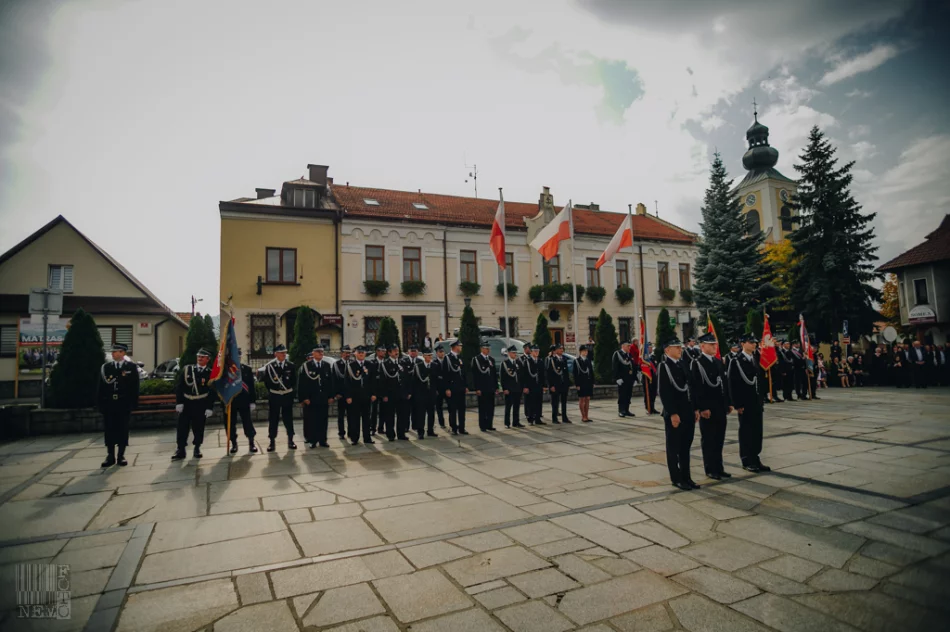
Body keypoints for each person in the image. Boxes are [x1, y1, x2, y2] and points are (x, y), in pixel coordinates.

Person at [657, 337, 698, 490]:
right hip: (675, 414)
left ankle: (687, 477)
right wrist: (673, 413)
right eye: (676, 347)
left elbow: (691, 387)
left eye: (680, 347)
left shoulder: (683, 364)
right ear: (667, 350)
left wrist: (695, 408)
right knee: (674, 448)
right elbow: (664, 392)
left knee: (685, 447)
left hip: (687, 411)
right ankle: (676, 478)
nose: (680, 350)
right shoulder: (664, 366)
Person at [689, 332, 732, 480]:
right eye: (711, 344)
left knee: (719, 438)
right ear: (702, 346)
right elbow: (696, 388)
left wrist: (728, 403)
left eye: (715, 344)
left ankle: (719, 467)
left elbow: (724, 385)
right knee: (709, 439)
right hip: (708, 408)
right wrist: (701, 408)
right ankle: (710, 469)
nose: (715, 346)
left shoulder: (718, 362)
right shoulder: (697, 363)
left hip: (720, 406)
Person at [729, 334, 770, 473]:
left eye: (755, 342)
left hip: (756, 402)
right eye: (751, 342)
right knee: (747, 432)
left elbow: (759, 380)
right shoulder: (736, 361)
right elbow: (733, 384)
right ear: (742, 344)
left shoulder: (756, 358)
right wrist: (737, 404)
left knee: (757, 432)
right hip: (745, 404)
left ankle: (755, 457)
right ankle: (746, 460)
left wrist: (762, 398)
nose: (754, 345)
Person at [97, 343, 140, 467]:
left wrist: (133, 403)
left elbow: (134, 387)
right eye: (113, 351)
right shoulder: (106, 367)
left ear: (123, 353)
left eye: (116, 351)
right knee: (109, 429)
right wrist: (100, 403)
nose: (113, 353)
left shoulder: (131, 367)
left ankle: (121, 455)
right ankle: (110, 455)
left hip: (123, 403)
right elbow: (101, 387)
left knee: (122, 428)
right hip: (109, 403)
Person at [172, 348, 215, 460]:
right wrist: (179, 402)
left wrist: (209, 407)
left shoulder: (210, 373)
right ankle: (181, 449)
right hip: (186, 403)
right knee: (182, 427)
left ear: (207, 359)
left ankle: (197, 447)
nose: (200, 359)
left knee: (199, 427)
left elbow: (212, 392)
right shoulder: (188, 370)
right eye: (198, 357)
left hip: (201, 403)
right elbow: (179, 386)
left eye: (202, 357)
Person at [261, 344, 297, 452]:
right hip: (275, 396)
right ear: (275, 354)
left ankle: (291, 440)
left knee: (288, 419)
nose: (284, 354)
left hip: (287, 395)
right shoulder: (270, 366)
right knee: (273, 419)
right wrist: (275, 390)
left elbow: (294, 381)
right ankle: (272, 441)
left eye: (285, 352)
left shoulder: (290, 366)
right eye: (281, 352)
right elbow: (267, 382)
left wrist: (289, 391)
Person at [298, 345, 332, 448]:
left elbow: (330, 382)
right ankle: (313, 440)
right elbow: (302, 384)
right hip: (311, 399)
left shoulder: (326, 365)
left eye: (322, 352)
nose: (321, 353)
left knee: (323, 420)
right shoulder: (306, 366)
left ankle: (323, 440)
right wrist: (304, 398)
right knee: (312, 420)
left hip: (323, 398)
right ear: (313, 353)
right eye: (318, 352)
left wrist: (331, 396)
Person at [228, 348, 258, 454]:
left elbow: (251, 387)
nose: (237, 358)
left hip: (244, 401)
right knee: (231, 425)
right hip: (231, 401)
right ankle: (234, 444)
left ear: (240, 357)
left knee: (248, 423)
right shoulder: (226, 370)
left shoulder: (246, 369)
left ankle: (251, 443)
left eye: (238, 356)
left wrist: (252, 401)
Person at [344, 346, 375, 445]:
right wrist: (348, 396)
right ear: (355, 354)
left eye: (363, 353)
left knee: (367, 418)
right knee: (355, 418)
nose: (361, 354)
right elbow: (347, 382)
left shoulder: (369, 364)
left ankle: (367, 438)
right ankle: (355, 438)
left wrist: (374, 393)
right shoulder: (351, 365)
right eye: (359, 353)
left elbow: (373, 381)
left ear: (365, 354)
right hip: (355, 396)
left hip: (366, 396)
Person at [472, 340, 498, 431]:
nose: (488, 350)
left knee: (490, 407)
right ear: (482, 349)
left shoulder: (491, 360)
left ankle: (489, 424)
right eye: (486, 348)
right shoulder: (477, 359)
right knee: (483, 407)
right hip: (482, 388)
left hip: (490, 387)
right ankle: (482, 425)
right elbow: (475, 375)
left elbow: (494, 374)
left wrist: (496, 387)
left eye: (488, 348)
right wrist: (477, 388)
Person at [411, 348, 437, 439]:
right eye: (427, 355)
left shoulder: (434, 365)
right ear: (424, 356)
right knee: (421, 414)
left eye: (430, 355)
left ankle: (430, 430)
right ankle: (420, 431)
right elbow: (415, 381)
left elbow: (436, 380)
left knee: (431, 413)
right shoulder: (418, 366)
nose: (429, 357)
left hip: (431, 393)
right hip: (421, 394)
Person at [377, 345, 401, 441]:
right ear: (389, 353)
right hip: (390, 394)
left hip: (400, 393)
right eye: (394, 351)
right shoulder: (385, 364)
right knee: (389, 415)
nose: (397, 352)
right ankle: (390, 434)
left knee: (401, 415)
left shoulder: (401, 362)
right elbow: (382, 381)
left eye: (397, 350)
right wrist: (384, 395)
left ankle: (401, 433)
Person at [445, 340, 468, 435]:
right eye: (460, 346)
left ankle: (462, 428)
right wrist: (447, 388)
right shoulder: (448, 358)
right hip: (452, 387)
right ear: (455, 347)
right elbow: (445, 374)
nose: (461, 348)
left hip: (461, 387)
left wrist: (465, 386)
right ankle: (454, 427)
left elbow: (463, 373)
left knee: (462, 409)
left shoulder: (460, 357)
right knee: (453, 409)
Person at [500, 345, 524, 428]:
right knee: (508, 407)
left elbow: (521, 376)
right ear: (509, 353)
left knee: (516, 406)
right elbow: (502, 377)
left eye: (515, 353)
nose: (515, 354)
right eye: (513, 353)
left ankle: (516, 422)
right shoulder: (505, 363)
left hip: (517, 388)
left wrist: (522, 387)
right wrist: (504, 388)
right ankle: (507, 423)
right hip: (509, 389)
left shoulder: (518, 362)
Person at [546, 343, 570, 424]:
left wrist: (568, 383)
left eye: (562, 348)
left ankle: (564, 417)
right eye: (560, 349)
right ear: (555, 350)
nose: (561, 350)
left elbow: (566, 373)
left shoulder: (564, 359)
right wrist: (551, 385)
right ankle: (554, 418)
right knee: (555, 402)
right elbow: (549, 374)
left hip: (563, 384)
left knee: (564, 402)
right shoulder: (552, 360)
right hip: (556, 385)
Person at [521, 344, 544, 425]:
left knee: (538, 402)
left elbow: (542, 374)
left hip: (538, 385)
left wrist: (543, 385)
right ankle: (530, 419)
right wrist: (525, 387)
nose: (536, 352)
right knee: (530, 403)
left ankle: (538, 418)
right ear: (531, 352)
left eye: (537, 351)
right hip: (530, 385)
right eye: (535, 351)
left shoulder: (540, 361)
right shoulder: (527, 361)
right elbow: (524, 375)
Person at [332, 345, 351, 438]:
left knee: (351, 415)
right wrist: (336, 393)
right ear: (341, 353)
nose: (348, 354)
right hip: (341, 394)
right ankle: (341, 433)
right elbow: (334, 380)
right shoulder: (336, 364)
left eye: (349, 353)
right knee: (341, 416)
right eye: (346, 352)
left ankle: (351, 432)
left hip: (351, 395)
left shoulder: (352, 363)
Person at [613, 341, 636, 417]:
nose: (629, 347)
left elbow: (633, 367)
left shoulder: (629, 355)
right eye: (628, 346)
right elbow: (615, 366)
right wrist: (617, 378)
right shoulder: (617, 354)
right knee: (622, 395)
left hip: (629, 379)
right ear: (623, 346)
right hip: (622, 379)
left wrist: (635, 378)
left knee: (628, 395)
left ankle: (626, 410)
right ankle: (621, 410)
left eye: (630, 346)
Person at [573, 344, 594, 422]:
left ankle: (587, 416)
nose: (586, 352)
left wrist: (593, 382)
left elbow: (591, 372)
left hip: (588, 382)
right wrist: (577, 384)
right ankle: (583, 416)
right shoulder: (577, 361)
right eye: (584, 351)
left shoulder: (588, 360)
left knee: (587, 399)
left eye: (586, 351)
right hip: (581, 383)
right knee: (582, 399)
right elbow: (575, 373)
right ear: (580, 352)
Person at [367, 345, 386, 434]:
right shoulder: (372, 363)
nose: (383, 353)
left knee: (383, 411)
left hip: (383, 390)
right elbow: (370, 378)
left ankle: (381, 428)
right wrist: (371, 392)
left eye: (384, 351)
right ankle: (372, 428)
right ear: (377, 352)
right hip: (374, 390)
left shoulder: (386, 362)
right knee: (373, 411)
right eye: (381, 351)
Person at [432, 345, 447, 428]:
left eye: (442, 352)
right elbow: (434, 378)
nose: (442, 353)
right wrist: (435, 389)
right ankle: (442, 423)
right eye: (440, 352)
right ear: (437, 353)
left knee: (450, 406)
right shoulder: (434, 363)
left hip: (446, 388)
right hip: (438, 388)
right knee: (439, 407)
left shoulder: (446, 361)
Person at [641, 344, 659, 415]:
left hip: (653, 377)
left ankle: (652, 407)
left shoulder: (653, 356)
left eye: (651, 347)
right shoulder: (644, 358)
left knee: (653, 393)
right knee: (648, 393)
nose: (651, 349)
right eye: (649, 347)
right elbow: (641, 367)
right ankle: (648, 408)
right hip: (647, 377)